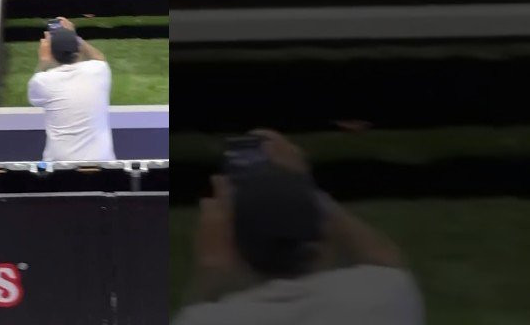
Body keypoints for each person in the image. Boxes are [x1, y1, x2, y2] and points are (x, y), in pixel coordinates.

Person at [174, 130, 425, 325]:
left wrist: (209, 270)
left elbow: (194, 313)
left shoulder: (210, 320)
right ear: (324, 240)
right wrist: (301, 186)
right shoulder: (384, 296)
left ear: (233, 251)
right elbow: (385, 260)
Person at [25, 18, 114, 162]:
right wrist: (74, 37)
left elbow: (33, 97)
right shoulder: (99, 70)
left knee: (42, 169)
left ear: (50, 54)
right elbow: (99, 58)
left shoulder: (43, 81)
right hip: (102, 162)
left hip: (58, 166)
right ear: (77, 49)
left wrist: (43, 61)